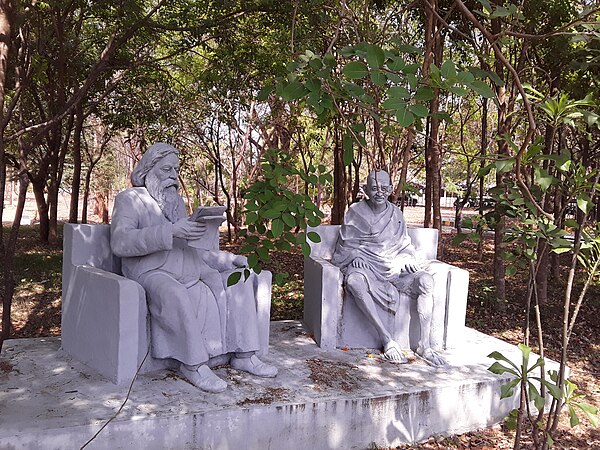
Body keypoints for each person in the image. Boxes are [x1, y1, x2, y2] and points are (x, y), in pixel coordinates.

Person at [111, 143, 277, 393]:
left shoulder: (174, 201)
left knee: (238, 280)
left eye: (176, 170)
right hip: (150, 271)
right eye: (166, 169)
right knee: (174, 293)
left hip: (188, 265)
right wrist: (170, 231)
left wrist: (228, 259)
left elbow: (196, 249)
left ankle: (245, 355)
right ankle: (193, 365)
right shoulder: (130, 199)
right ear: (147, 169)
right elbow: (121, 242)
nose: (172, 176)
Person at [332, 170, 446, 366]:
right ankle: (387, 339)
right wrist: (356, 255)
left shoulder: (396, 213)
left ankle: (424, 346)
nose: (379, 192)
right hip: (365, 265)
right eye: (374, 188)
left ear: (391, 189)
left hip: (394, 265)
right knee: (354, 282)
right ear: (365, 189)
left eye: (384, 188)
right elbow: (344, 247)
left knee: (426, 281)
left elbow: (404, 245)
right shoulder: (355, 212)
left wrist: (405, 258)